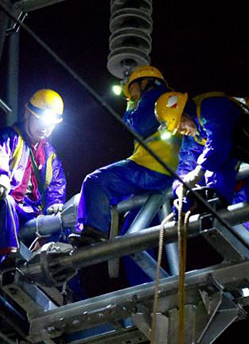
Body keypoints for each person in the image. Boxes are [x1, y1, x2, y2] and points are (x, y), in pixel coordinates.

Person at [155, 91, 249, 248]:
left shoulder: (211, 107)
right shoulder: (193, 135)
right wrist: (180, 190)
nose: (181, 130)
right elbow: (185, 167)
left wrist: (199, 173)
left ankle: (217, 199)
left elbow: (219, 141)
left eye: (180, 123)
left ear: (185, 111)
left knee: (220, 169)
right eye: (177, 129)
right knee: (236, 203)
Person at [69, 65, 181, 247]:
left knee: (96, 182)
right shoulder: (170, 99)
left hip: (151, 168)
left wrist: (130, 104)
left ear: (145, 82)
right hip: (166, 173)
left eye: (133, 88)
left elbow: (136, 126)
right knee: (133, 240)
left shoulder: (154, 97)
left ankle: (93, 230)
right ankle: (147, 276)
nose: (131, 94)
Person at [0, 88, 67, 261]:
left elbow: (56, 186)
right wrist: (1, 175)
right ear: (28, 114)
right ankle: (10, 259)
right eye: (40, 121)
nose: (45, 127)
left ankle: (54, 269)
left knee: (62, 221)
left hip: (28, 213)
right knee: (7, 201)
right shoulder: (9, 137)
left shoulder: (49, 155)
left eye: (50, 123)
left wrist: (56, 206)